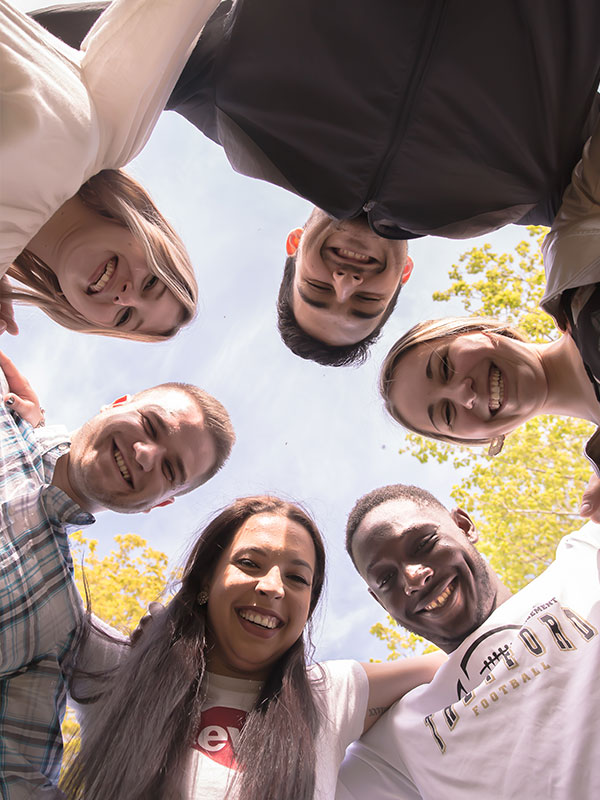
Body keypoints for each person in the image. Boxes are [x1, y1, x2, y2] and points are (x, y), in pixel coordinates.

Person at [33, 0, 600, 363]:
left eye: (318, 290)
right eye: (365, 305)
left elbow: (59, 60)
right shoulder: (533, 196)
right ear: (403, 274)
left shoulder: (235, 117)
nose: (347, 285)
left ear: (294, 247)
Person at [59, 496, 444, 800]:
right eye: (249, 563)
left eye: (296, 578)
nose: (273, 587)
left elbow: (467, 657)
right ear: (206, 581)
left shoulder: (329, 694)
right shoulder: (119, 668)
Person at [0, 353, 235, 797]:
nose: (145, 455)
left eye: (170, 470)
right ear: (116, 403)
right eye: (149, 424)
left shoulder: (59, 627)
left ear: (158, 505)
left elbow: (16, 777)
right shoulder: (6, 422)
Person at [337, 483, 600, 800]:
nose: (412, 578)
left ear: (464, 526)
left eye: (424, 543)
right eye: (386, 578)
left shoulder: (585, 558)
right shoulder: (396, 740)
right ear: (380, 603)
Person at [0, 0, 223, 339]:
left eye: (124, 318)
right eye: (150, 282)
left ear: (79, 315)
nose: (126, 296)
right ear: (149, 236)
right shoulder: (114, 131)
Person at [379, 315, 600, 515]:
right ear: (479, 439)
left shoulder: (579, 284)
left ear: (475, 330)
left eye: (445, 367)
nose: (465, 394)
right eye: (446, 414)